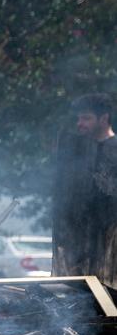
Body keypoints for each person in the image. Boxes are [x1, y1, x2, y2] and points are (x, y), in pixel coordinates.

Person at [53, 93, 117, 285]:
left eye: (86, 118)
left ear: (104, 118)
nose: (80, 123)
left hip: (110, 240)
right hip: (79, 242)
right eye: (78, 118)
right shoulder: (76, 151)